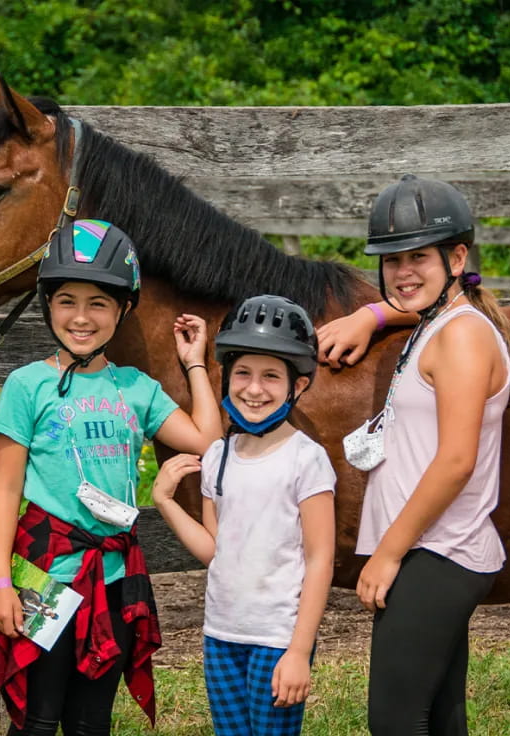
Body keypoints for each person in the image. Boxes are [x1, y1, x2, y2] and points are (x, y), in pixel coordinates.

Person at [0, 219, 222, 736]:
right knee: (37, 719)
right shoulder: (28, 386)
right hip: (42, 577)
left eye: (99, 303)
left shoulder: (137, 388)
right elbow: (4, 492)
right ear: (48, 305)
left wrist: (195, 364)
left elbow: (207, 439)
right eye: (67, 300)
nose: (81, 317)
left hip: (114, 578)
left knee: (93, 722)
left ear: (123, 310)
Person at [319, 174, 510, 735]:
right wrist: (370, 315)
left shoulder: (462, 336)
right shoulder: (438, 324)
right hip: (429, 548)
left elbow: (456, 460)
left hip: (438, 550)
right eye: (391, 260)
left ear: (457, 255)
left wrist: (388, 553)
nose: (402, 271)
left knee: (393, 722)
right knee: (439, 719)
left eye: (418, 256)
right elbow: (411, 307)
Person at [152, 294, 336, 736]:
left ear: (298, 386)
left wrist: (298, 650)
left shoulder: (306, 460)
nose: (254, 389)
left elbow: (320, 561)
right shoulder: (218, 456)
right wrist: (166, 503)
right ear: (227, 378)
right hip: (220, 635)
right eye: (243, 374)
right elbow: (216, 551)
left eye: (271, 376)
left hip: (277, 640)